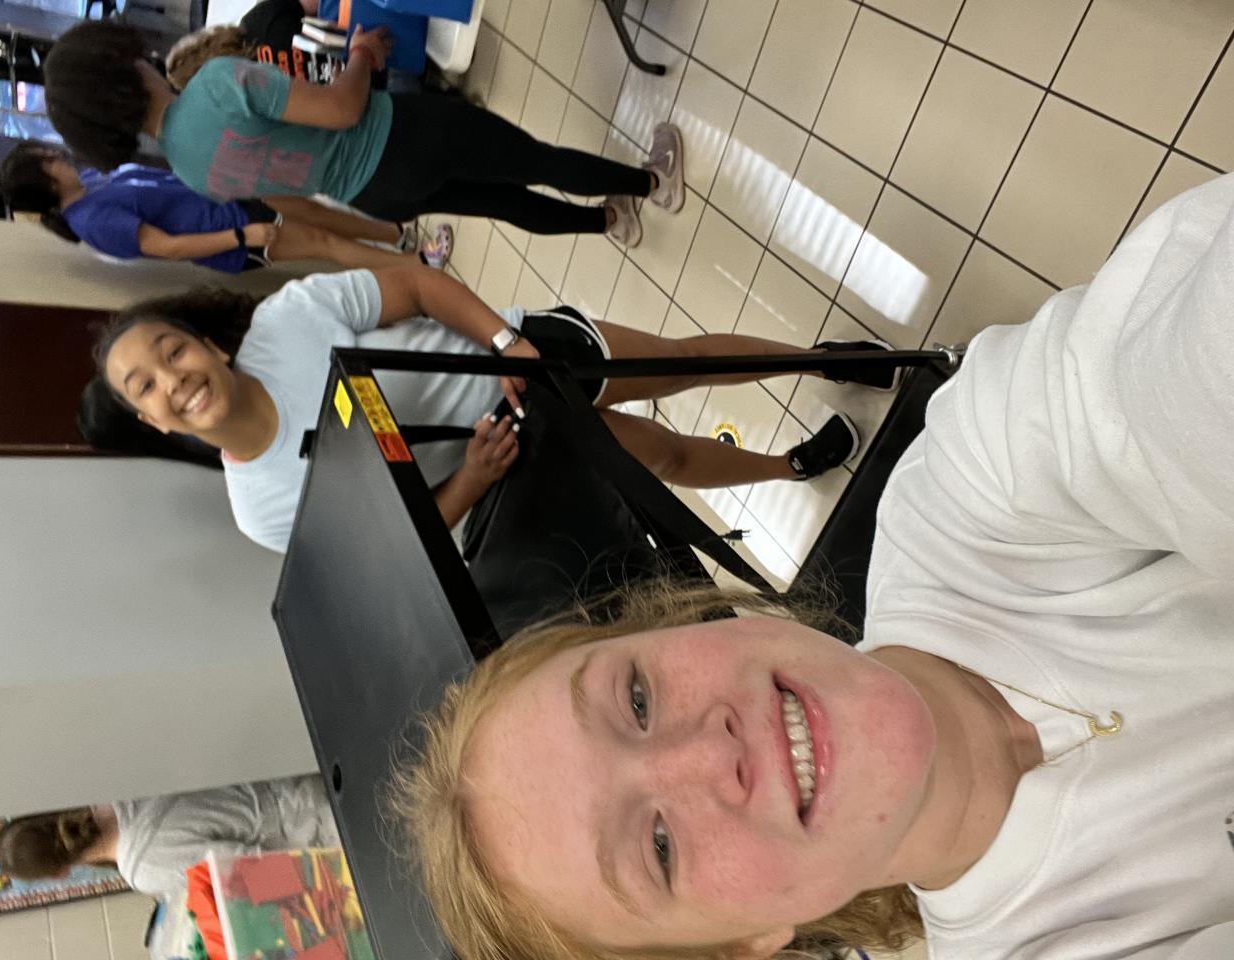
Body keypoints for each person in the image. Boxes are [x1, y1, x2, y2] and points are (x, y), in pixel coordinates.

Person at [390, 172, 1234, 960]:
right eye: (659, 848)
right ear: (746, 943)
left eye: (637, 698)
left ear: (671, 619)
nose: (707, 752)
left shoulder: (974, 479)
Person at [94, 260, 893, 552]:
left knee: (676, 364)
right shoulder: (260, 510)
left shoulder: (286, 320)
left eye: (172, 350)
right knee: (664, 458)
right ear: (154, 421)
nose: (172, 378)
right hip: (509, 459)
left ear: (209, 345)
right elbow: (396, 538)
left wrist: (507, 340)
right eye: (146, 387)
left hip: (520, 361)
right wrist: (472, 480)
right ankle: (789, 467)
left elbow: (416, 285)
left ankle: (821, 361)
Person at [43, 20, 681, 247]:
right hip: (401, 134)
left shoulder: (187, 169)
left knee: (505, 205)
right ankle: (653, 182)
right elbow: (343, 110)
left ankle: (609, 222)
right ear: (123, 66)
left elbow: (292, 202)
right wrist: (360, 54)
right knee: (533, 161)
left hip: (377, 194)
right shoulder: (215, 85)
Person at [0, 140, 454, 274]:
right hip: (233, 231)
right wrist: (241, 237)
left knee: (318, 213)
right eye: (46, 161)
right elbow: (169, 248)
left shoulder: (93, 182)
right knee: (323, 242)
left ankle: (398, 234)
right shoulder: (92, 223)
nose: (55, 155)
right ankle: (419, 264)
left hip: (230, 196)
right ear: (44, 184)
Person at [0, 775, 338, 899]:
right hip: (308, 771)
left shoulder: (144, 866)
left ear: (60, 873)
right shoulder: (116, 780)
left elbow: (272, 874)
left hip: (325, 826)